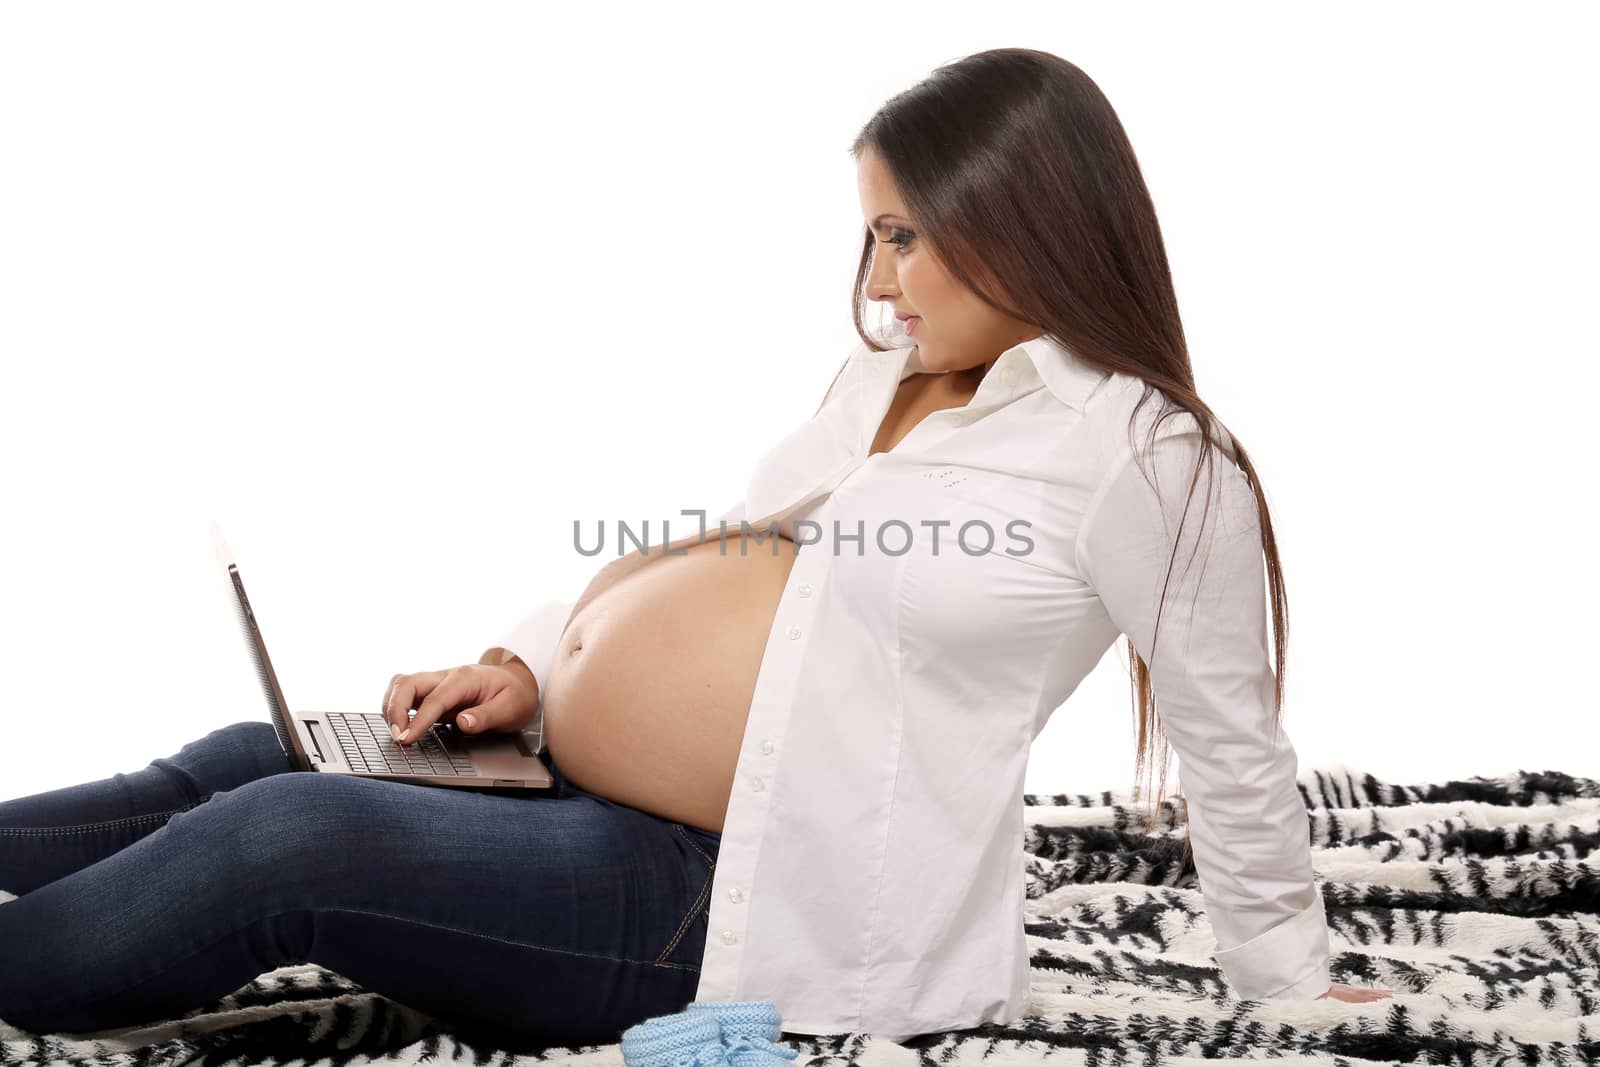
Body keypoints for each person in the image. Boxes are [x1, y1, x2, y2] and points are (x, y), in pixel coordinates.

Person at [0, 46, 1393, 1045]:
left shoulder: (1147, 458)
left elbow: (1229, 738)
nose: (883, 281)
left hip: (716, 903)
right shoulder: (889, 387)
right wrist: (528, 668)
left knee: (291, 837)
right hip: (571, 786)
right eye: (875, 236)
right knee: (262, 758)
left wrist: (1284, 974)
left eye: (912, 235)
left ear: (1024, 217)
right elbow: (725, 569)